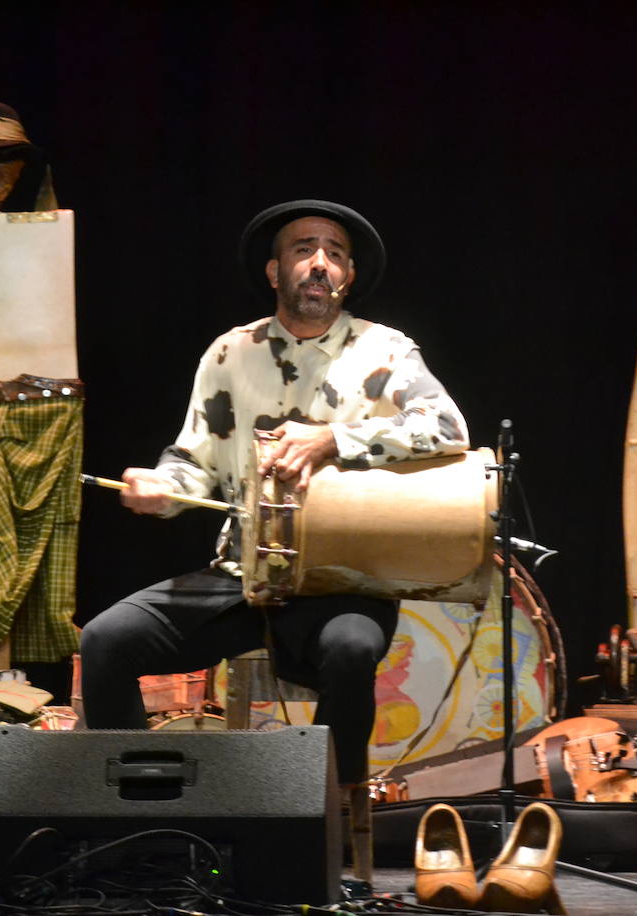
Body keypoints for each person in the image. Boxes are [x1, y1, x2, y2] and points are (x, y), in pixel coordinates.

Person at [78, 200, 469, 787]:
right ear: (274, 271)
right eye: (304, 250)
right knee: (105, 641)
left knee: (352, 648)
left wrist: (333, 439)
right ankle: (144, 810)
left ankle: (327, 823)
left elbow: (448, 430)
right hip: (243, 575)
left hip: (342, 582)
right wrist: (164, 487)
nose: (320, 264)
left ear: (349, 277)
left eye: (335, 255)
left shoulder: (385, 351)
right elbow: (193, 461)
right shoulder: (230, 354)